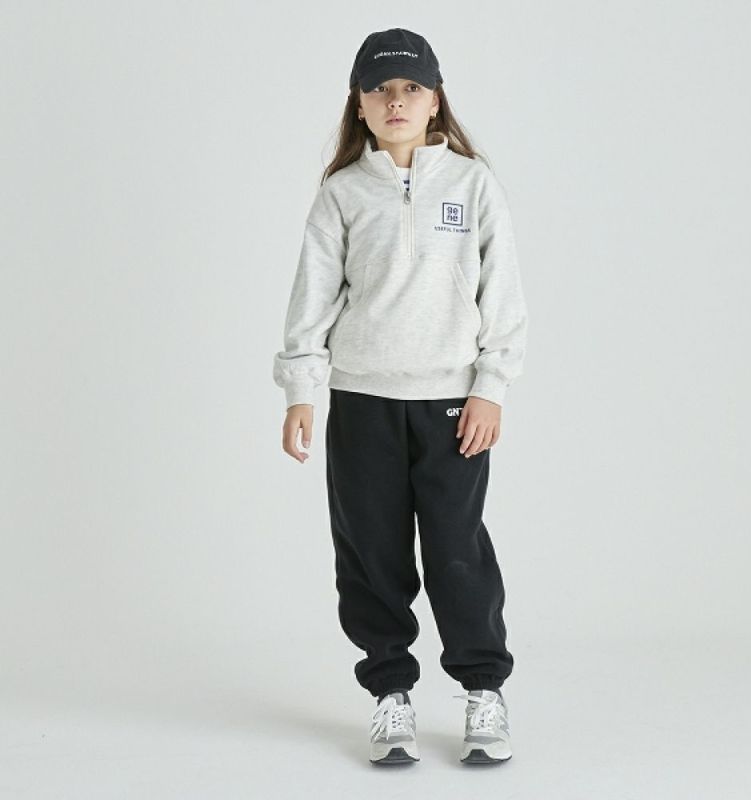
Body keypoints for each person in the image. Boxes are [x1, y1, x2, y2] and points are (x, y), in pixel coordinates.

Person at [273, 28, 528, 766]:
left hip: (454, 406)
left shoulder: (473, 186)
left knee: (457, 552)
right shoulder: (342, 193)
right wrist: (301, 392)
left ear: (435, 99)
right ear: (358, 103)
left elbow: (503, 296)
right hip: (361, 403)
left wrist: (491, 387)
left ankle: (483, 690)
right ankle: (390, 695)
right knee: (371, 556)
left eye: (411, 87)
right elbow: (313, 299)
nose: (396, 101)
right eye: (379, 89)